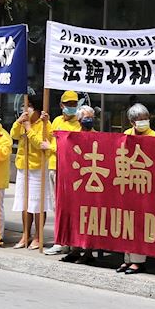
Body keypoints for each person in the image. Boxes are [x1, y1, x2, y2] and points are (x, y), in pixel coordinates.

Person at [116, 103, 155, 274]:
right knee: (126, 222)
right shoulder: (126, 134)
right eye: (139, 120)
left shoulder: (154, 136)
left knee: (140, 223)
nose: (143, 122)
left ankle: (138, 261)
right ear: (132, 122)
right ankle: (127, 259)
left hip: (145, 184)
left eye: (145, 119)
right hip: (128, 183)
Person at [9, 95, 53, 250]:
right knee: (24, 203)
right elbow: (13, 135)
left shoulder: (45, 123)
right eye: (24, 106)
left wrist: (28, 129)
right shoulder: (23, 121)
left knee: (38, 204)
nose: (26, 109)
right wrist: (19, 122)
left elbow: (41, 144)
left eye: (30, 106)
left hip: (38, 167)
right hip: (23, 165)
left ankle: (38, 236)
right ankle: (25, 234)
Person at [60, 104, 102, 265]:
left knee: (89, 217)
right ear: (78, 119)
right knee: (74, 216)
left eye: (91, 117)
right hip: (75, 182)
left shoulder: (99, 136)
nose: (88, 120)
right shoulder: (71, 136)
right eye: (85, 117)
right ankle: (75, 249)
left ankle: (88, 251)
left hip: (92, 183)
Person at [44, 91, 83, 256]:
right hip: (54, 167)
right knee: (57, 205)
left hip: (70, 170)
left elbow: (71, 148)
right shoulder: (56, 121)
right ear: (61, 105)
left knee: (67, 206)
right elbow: (49, 139)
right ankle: (62, 240)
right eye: (68, 104)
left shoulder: (79, 124)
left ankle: (64, 242)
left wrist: (51, 148)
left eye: (74, 104)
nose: (71, 107)